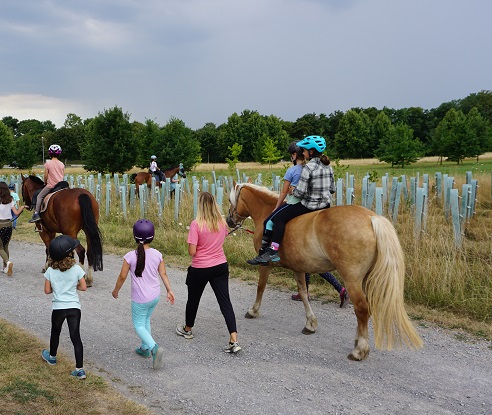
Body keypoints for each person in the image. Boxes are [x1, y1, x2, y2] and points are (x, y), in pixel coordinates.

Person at [248, 135, 334, 265]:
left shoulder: (308, 168)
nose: (303, 153)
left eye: (304, 150)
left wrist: (292, 190)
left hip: (309, 205)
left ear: (311, 152)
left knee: (279, 219)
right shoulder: (328, 167)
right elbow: (332, 189)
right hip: (325, 205)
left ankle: (273, 250)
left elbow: (300, 193)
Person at [176, 191, 241, 353]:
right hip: (220, 266)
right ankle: (233, 339)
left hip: (200, 267)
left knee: (193, 299)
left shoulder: (196, 224)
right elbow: (222, 238)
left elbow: (192, 251)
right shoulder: (222, 222)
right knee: (225, 302)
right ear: (214, 204)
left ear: (200, 206)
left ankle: (188, 329)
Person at [111, 219, 175, 370]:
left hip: (140, 299)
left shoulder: (130, 256)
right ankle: (144, 348)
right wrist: (169, 290)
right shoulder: (157, 254)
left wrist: (116, 291)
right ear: (152, 236)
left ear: (134, 236)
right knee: (146, 319)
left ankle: (153, 347)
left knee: (138, 324)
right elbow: (163, 274)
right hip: (154, 296)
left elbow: (122, 276)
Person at [41, 235, 88, 380]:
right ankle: (80, 370)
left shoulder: (50, 271)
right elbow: (83, 287)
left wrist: (58, 288)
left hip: (58, 308)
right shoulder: (77, 269)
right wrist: (73, 286)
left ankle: (52, 357)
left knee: (55, 332)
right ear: (71, 253)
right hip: (74, 308)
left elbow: (47, 291)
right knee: (75, 337)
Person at [0, 181, 26, 275]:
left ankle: (8, 262)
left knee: (0, 248)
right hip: (8, 224)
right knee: (6, 246)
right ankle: (5, 267)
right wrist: (22, 207)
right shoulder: (10, 199)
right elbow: (16, 213)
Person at [29, 144, 66, 223]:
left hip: (51, 185)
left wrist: (45, 183)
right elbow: (62, 175)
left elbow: (46, 176)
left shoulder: (48, 163)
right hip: (61, 185)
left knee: (39, 196)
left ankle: (36, 214)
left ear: (49, 153)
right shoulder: (62, 164)